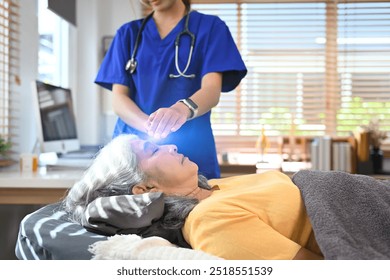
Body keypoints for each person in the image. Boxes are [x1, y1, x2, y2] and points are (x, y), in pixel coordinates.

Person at [64, 134, 323, 260]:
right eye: (154, 150)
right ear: (145, 189)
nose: (172, 146)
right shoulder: (209, 221)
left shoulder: (213, 188)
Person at [94, 0, 247, 179]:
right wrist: (151, 127)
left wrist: (181, 110)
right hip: (134, 154)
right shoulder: (128, 34)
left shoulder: (210, 28)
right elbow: (119, 100)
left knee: (195, 202)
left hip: (191, 152)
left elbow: (212, 90)